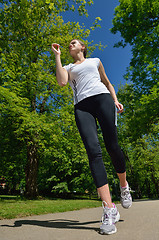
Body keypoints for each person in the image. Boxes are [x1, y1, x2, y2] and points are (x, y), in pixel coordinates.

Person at [51, 39, 132, 235]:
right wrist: (57, 57)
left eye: (73, 43)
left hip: (102, 98)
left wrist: (115, 100)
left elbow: (107, 82)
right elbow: (62, 81)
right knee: (93, 151)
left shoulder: (95, 61)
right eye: (69, 44)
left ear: (83, 47)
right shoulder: (68, 67)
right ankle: (109, 209)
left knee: (112, 146)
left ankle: (124, 186)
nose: (70, 45)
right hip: (82, 107)